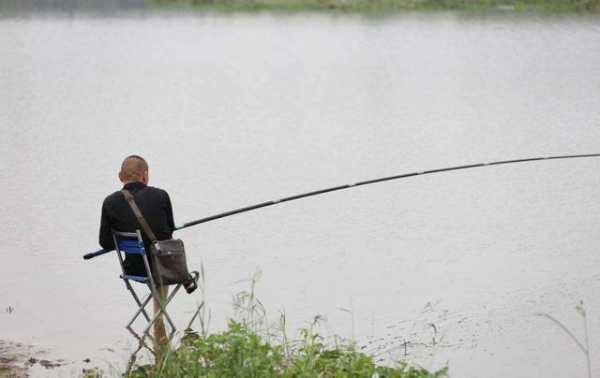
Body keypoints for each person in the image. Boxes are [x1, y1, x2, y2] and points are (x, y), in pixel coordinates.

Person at [99, 155, 193, 355]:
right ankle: (158, 320)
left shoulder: (109, 202)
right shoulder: (161, 196)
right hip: (161, 270)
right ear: (145, 176)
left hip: (133, 269)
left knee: (154, 260)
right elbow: (168, 233)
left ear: (119, 176)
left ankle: (157, 336)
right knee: (163, 257)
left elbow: (105, 242)